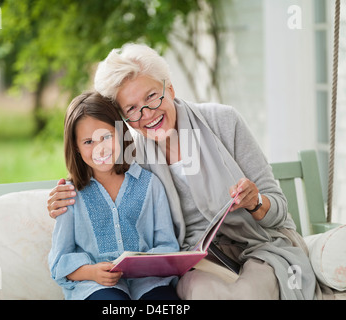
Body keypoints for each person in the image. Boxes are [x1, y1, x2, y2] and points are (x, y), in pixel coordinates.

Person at [48, 43, 317, 300]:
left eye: (152, 96)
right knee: (199, 293)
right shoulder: (132, 157)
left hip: (258, 246)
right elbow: (95, 165)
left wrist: (255, 201)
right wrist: (61, 196)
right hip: (197, 262)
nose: (147, 113)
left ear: (170, 89)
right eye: (131, 108)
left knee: (249, 293)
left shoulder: (223, 122)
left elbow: (278, 209)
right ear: (123, 118)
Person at [48, 91, 180, 300]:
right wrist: (91, 272)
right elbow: (59, 262)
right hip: (94, 286)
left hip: (149, 281)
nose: (100, 148)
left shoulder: (150, 185)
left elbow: (168, 245)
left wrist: (145, 264)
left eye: (106, 137)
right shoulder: (69, 194)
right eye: (88, 142)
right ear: (76, 147)